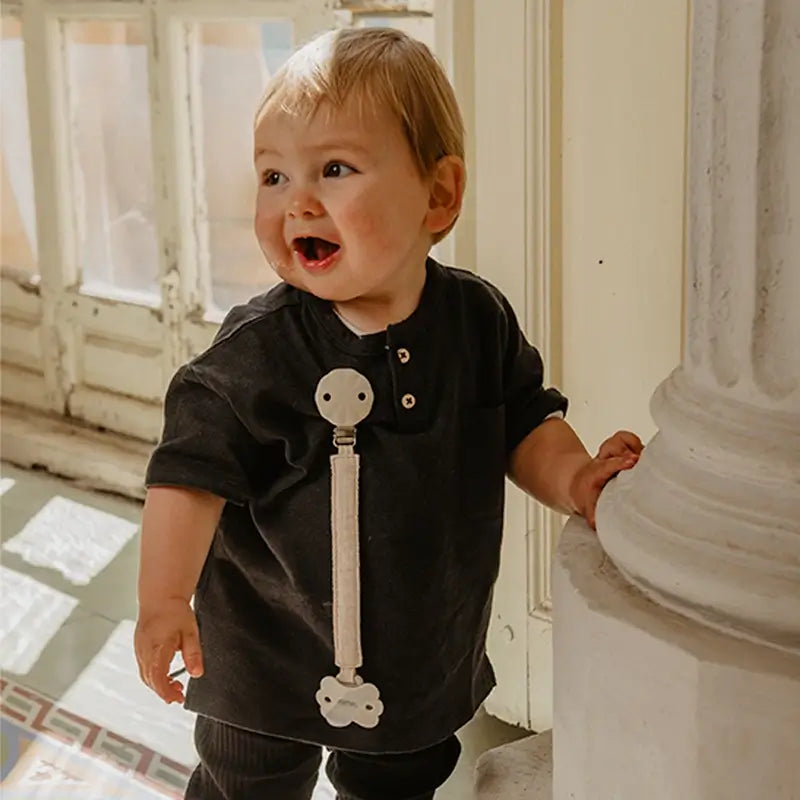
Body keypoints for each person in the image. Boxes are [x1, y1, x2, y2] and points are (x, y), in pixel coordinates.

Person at [135, 26, 642, 800]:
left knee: (398, 778)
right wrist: (165, 598)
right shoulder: (259, 349)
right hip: (265, 650)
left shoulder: (475, 322)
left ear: (438, 195)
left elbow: (525, 420)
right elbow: (188, 474)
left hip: (416, 654)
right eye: (272, 175)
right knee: (247, 783)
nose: (295, 200)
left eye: (334, 169)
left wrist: (577, 479)